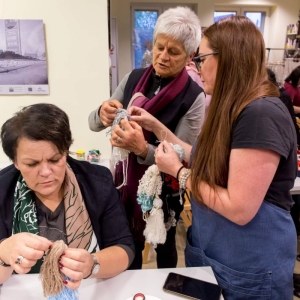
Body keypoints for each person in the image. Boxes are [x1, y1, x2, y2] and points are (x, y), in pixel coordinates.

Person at [128, 16, 297, 299]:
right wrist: (155, 126)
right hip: (215, 256)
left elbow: (239, 208)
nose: (196, 66)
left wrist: (179, 173)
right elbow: (205, 159)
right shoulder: (233, 107)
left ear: (227, 59)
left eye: (202, 57)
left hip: (247, 267)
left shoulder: (260, 115)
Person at [88, 6, 205, 269]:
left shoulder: (193, 96)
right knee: (128, 243)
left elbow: (182, 154)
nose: (162, 56)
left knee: (165, 246)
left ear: (190, 55)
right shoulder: (133, 78)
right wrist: (102, 112)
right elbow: (93, 124)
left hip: (166, 188)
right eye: (159, 47)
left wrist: (142, 149)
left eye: (173, 52)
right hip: (125, 184)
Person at [0, 103, 134, 288]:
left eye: (55, 160)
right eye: (32, 164)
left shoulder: (97, 183)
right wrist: (3, 254)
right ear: (15, 162)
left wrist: (92, 264)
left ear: (66, 151)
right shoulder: (3, 190)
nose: (46, 172)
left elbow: (124, 249)